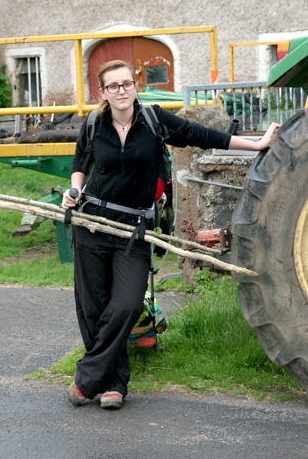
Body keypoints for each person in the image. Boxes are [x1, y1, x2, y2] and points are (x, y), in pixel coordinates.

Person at [62, 59, 280, 409]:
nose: (122, 91)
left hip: (133, 230)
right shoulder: (93, 124)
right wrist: (73, 192)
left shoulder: (153, 120)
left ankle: (87, 378)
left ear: (135, 86)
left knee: (128, 303)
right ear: (102, 92)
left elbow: (202, 135)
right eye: (113, 86)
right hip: (93, 224)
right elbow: (79, 164)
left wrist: (255, 145)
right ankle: (114, 385)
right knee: (93, 307)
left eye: (127, 83)